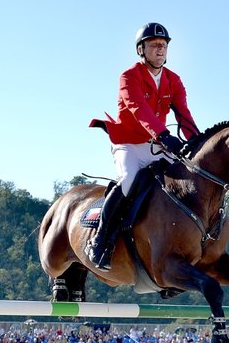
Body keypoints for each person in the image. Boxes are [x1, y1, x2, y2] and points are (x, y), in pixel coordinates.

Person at [86, 22, 200, 271]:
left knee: (187, 179)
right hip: (129, 143)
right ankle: (100, 241)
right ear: (141, 49)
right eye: (154, 45)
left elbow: (184, 114)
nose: (160, 50)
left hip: (157, 145)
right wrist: (163, 133)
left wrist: (196, 141)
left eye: (163, 45)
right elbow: (140, 111)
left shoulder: (174, 80)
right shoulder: (129, 76)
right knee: (128, 180)